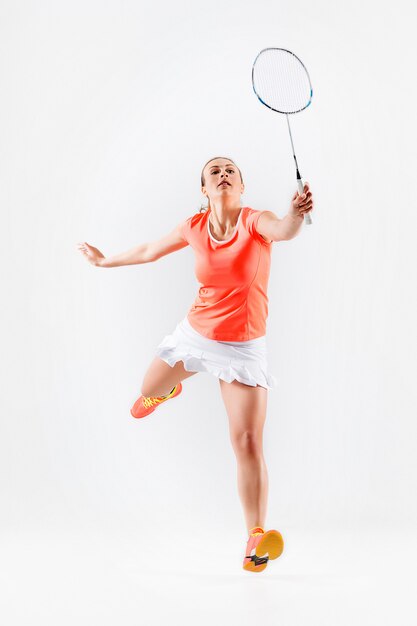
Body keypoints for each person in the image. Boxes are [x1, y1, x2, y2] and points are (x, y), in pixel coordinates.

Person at [77, 156, 314, 573]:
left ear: (242, 186)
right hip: (195, 334)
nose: (223, 175)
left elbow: (284, 230)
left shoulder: (256, 222)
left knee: (247, 442)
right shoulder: (194, 226)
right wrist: (103, 261)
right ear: (204, 189)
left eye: (230, 171)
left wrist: (295, 213)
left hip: (243, 348)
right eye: (214, 172)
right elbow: (151, 250)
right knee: (145, 392)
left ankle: (255, 537)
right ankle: (166, 390)